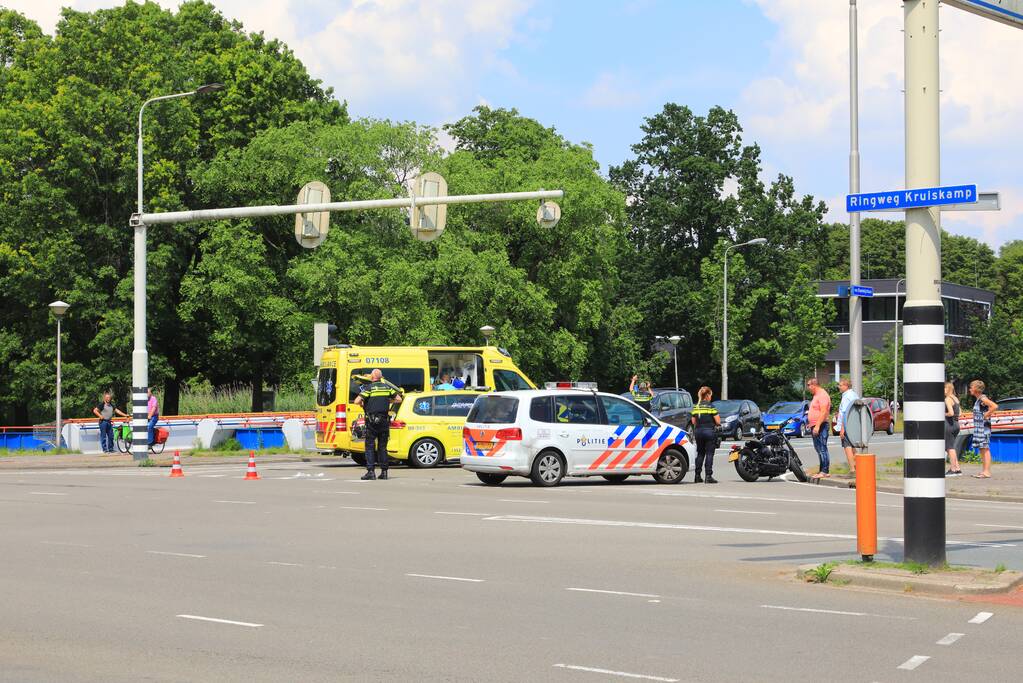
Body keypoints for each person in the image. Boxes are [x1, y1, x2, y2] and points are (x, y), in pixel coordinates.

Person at [353, 369, 403, 480]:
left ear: (372, 377)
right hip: (384, 421)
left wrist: (364, 402)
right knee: (382, 447)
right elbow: (399, 399)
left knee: (370, 446)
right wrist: (387, 401)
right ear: (381, 377)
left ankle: (371, 472)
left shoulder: (369, 388)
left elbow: (356, 401)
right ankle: (384, 472)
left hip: (372, 422)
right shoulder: (387, 388)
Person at [690, 386, 721, 484]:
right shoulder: (711, 406)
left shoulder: (696, 406)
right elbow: (718, 421)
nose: (711, 397)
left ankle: (697, 476)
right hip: (709, 432)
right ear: (707, 395)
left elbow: (693, 421)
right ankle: (708, 476)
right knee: (709, 454)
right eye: (710, 395)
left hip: (698, 432)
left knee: (700, 453)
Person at [969, 380, 998, 479]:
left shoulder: (982, 398)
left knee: (985, 448)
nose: (970, 389)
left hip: (984, 428)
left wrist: (986, 415)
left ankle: (987, 472)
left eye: (971, 387)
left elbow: (994, 406)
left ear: (976, 389)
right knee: (982, 448)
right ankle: (984, 471)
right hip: (979, 427)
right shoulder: (979, 399)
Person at [806, 377, 832, 478]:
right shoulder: (816, 395)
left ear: (814, 385)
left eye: (809, 385)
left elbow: (824, 411)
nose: (808, 387)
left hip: (821, 425)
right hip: (816, 425)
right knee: (819, 448)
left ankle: (824, 471)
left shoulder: (822, 395)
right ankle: (822, 470)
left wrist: (817, 426)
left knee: (822, 448)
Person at [836, 378, 858, 476]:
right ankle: (859, 467)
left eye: (840, 385)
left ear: (846, 386)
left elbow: (845, 413)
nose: (839, 387)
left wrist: (842, 429)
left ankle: (852, 470)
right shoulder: (854, 394)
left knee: (847, 447)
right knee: (853, 447)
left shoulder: (846, 396)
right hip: (853, 424)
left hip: (847, 425)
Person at [944, 382, 963, 477]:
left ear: (947, 389)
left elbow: (951, 413)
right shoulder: (955, 399)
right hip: (956, 424)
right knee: (951, 447)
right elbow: (960, 413)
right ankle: (958, 468)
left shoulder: (947, 399)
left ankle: (953, 469)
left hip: (949, 425)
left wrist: (942, 414)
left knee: (949, 448)